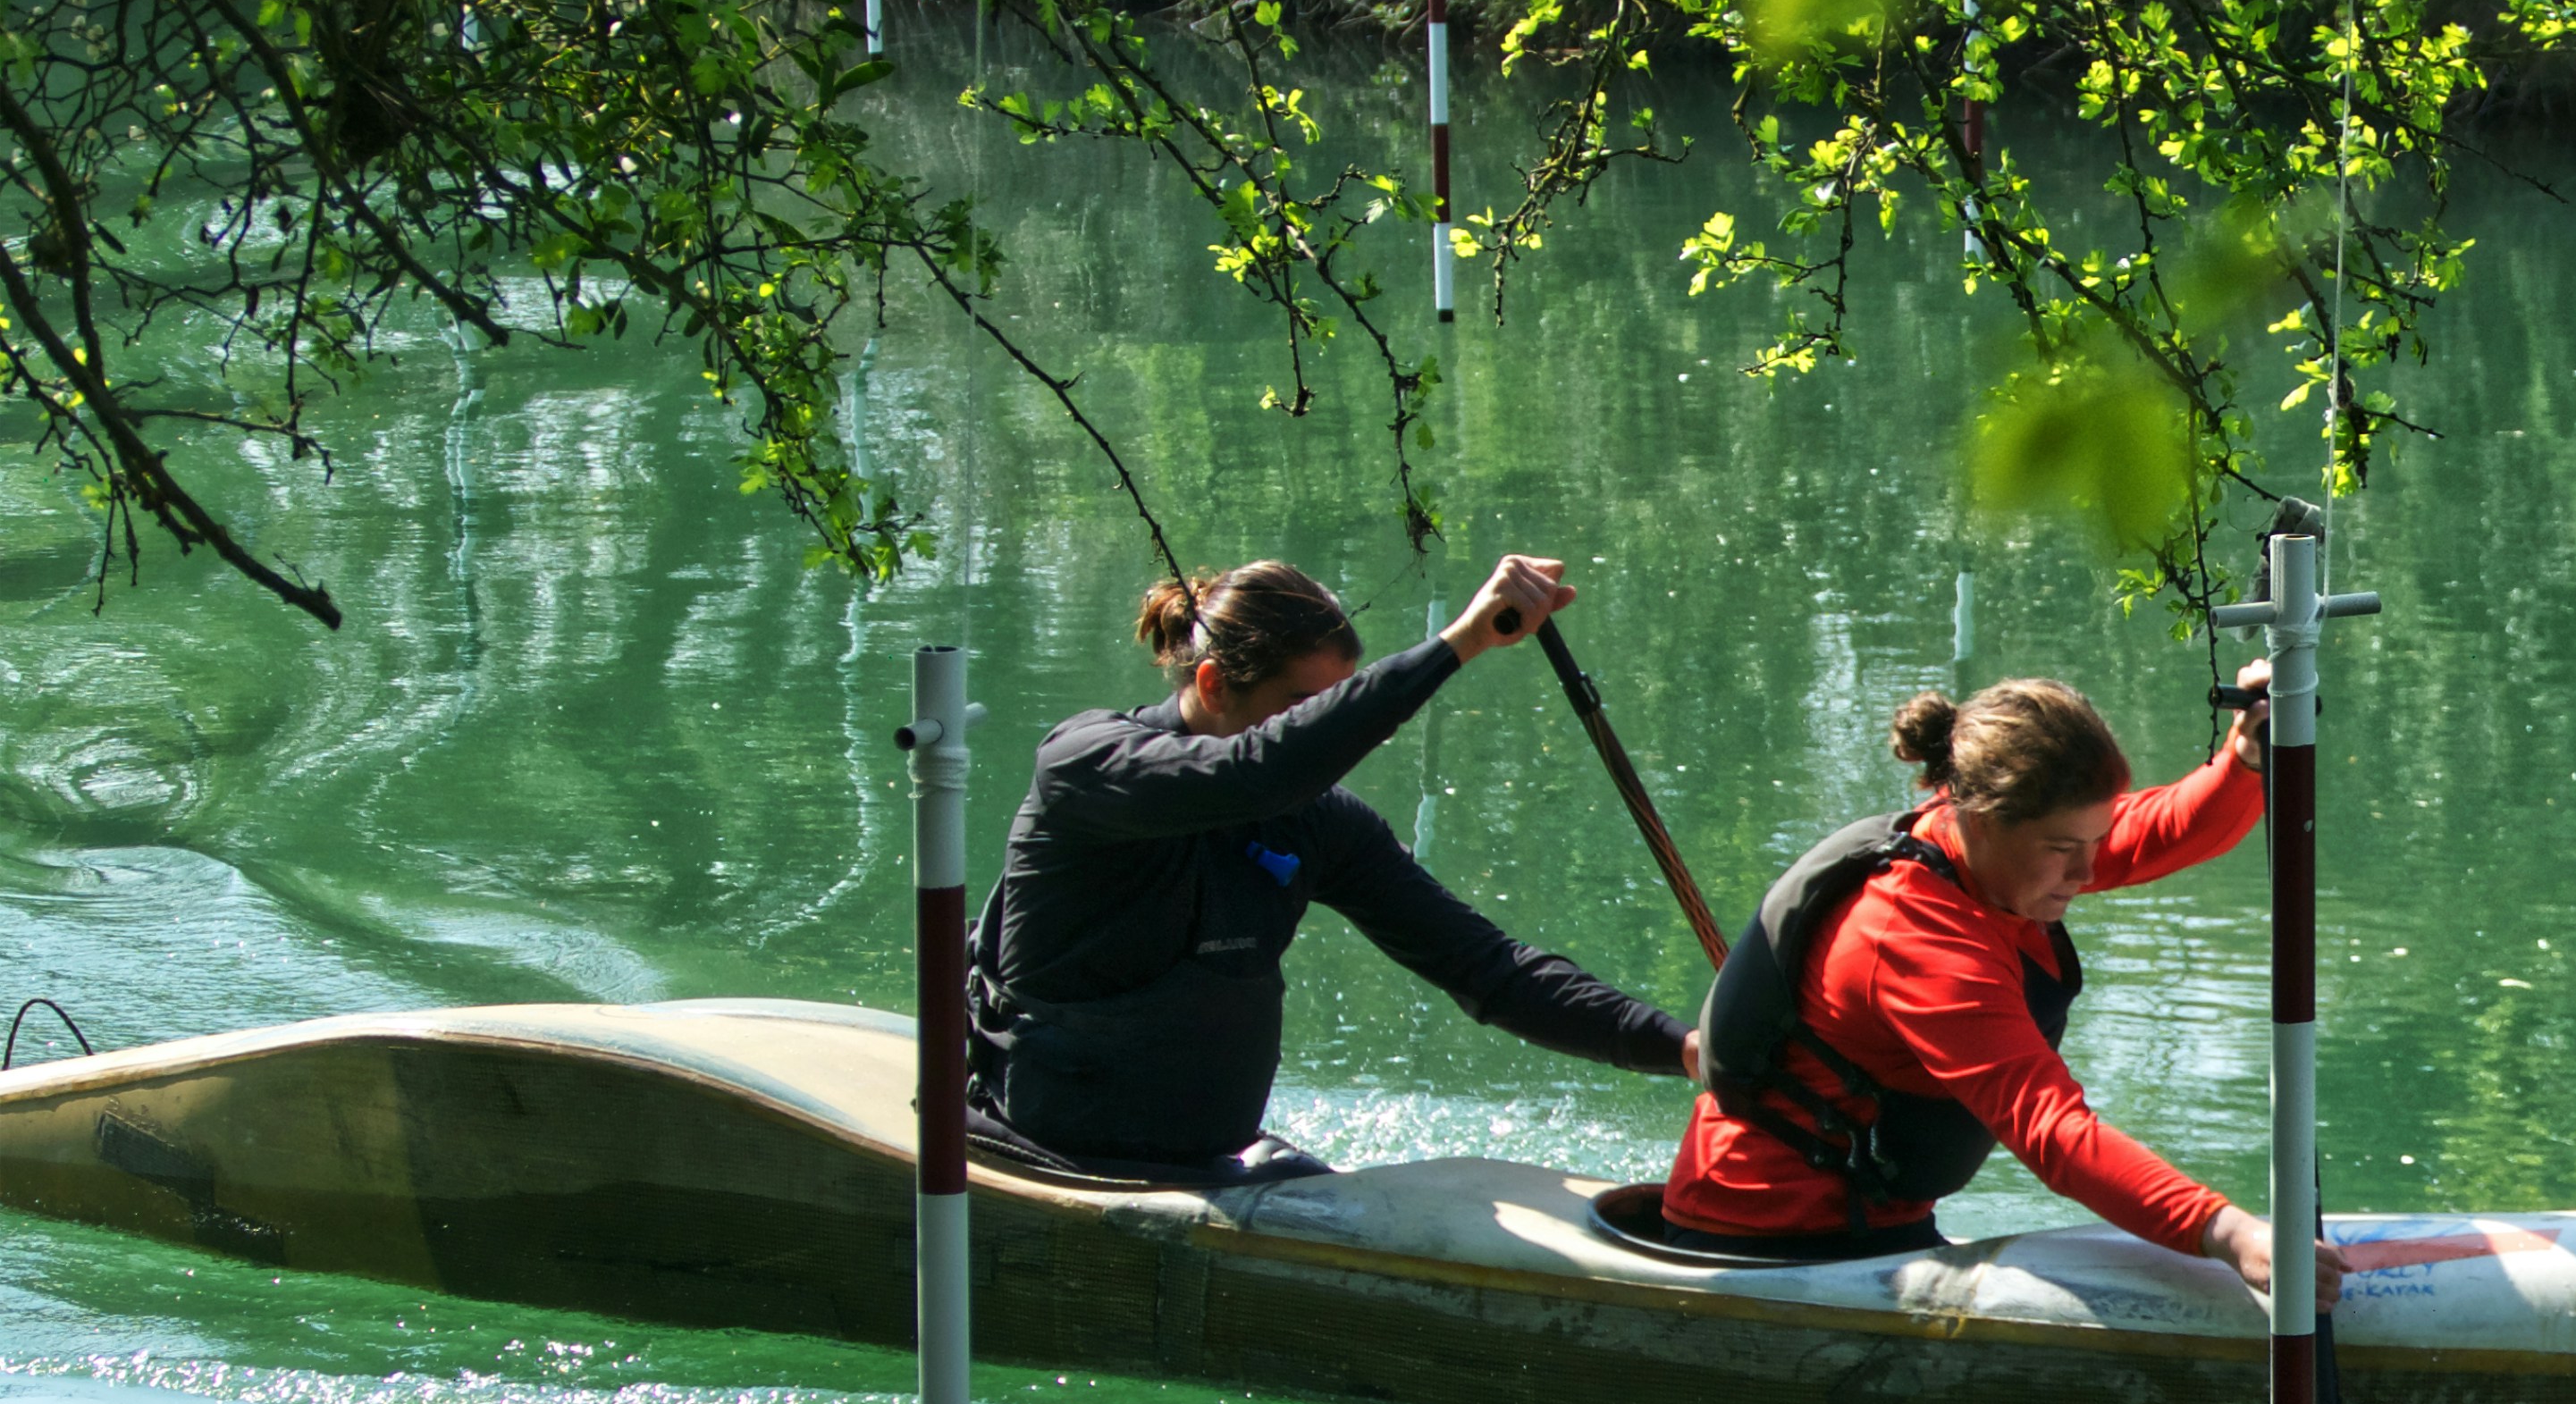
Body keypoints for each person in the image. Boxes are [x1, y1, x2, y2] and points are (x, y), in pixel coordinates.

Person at [966, 553, 1688, 1187]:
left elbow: (1487, 970)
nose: (1327, 734)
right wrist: (1459, 644)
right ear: (1215, 685)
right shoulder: (1086, 766)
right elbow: (1260, 770)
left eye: (1335, 705)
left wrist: (1680, 1047)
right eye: (1304, 708)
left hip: (1209, 1162)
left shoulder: (1319, 823)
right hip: (1051, 1146)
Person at [1651, 673, 2336, 1298]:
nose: (2086, 870)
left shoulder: (2002, 850)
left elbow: (2154, 829)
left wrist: (2244, 758)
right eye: (2064, 850)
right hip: (1764, 1246)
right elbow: (2052, 1129)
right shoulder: (1918, 939)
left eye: (2093, 842)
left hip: (1869, 1227)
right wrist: (2226, 1232)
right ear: (1975, 814)